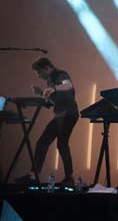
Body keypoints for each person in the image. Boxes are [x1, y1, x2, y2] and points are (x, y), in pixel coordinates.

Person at [17, 58, 79, 186]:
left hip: (67, 114)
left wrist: (54, 88)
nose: (38, 76)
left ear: (47, 68)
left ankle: (66, 178)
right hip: (62, 114)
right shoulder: (50, 80)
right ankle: (67, 177)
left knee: (52, 143)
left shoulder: (60, 74)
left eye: (39, 72)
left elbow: (68, 85)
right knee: (52, 143)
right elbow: (53, 101)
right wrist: (41, 93)